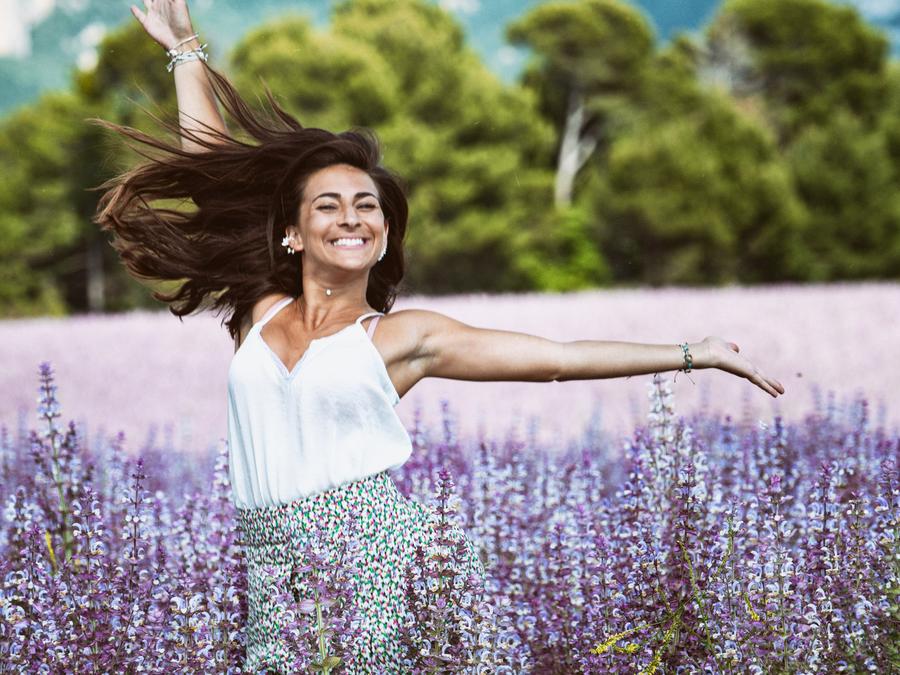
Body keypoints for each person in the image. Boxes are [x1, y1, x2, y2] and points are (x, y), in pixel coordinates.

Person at [93, 1, 787, 672]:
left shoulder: (398, 337)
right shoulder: (261, 313)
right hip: (271, 570)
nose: (351, 217)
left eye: (367, 207)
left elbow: (557, 359)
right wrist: (184, 51)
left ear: (382, 235)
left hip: (373, 558)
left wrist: (694, 353)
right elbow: (214, 182)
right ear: (293, 234)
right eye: (328, 205)